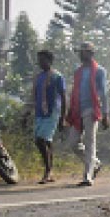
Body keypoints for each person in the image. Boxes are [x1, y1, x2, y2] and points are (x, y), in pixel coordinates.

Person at [64, 41, 110, 186]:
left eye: (84, 51)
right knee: (72, 142)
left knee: (90, 143)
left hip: (91, 109)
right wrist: (69, 111)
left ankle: (87, 176)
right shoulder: (78, 71)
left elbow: (103, 93)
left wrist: (105, 114)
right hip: (77, 110)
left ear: (91, 53)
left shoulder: (99, 71)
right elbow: (74, 92)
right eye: (80, 52)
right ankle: (95, 163)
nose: (81, 54)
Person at [32, 49, 66, 184]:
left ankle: (47, 171)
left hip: (52, 112)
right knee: (44, 141)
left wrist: (63, 117)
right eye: (39, 59)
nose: (40, 62)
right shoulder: (38, 77)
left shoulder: (57, 76)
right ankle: (50, 170)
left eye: (43, 59)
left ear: (49, 60)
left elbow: (63, 97)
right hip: (40, 113)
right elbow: (34, 96)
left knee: (41, 140)